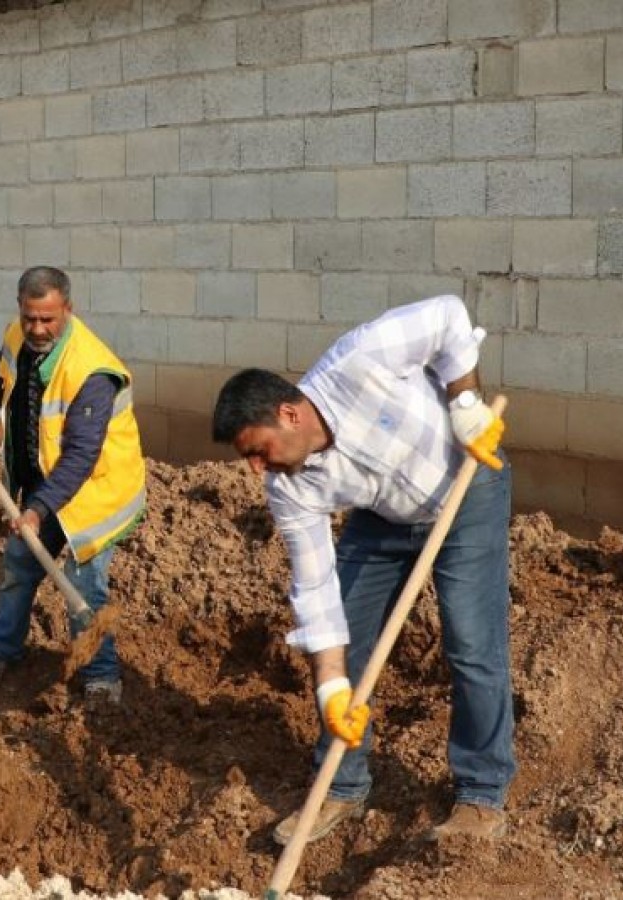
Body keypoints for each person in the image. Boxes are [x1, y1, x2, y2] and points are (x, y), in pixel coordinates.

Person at [209, 294, 514, 845]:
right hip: (385, 518)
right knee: (345, 641)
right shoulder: (289, 486)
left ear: (289, 413)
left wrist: (464, 400)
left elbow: (447, 314)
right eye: (247, 459)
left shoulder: (359, 361)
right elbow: (315, 585)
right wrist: (330, 686)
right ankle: (341, 786)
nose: (257, 468)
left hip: (465, 487)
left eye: (258, 450)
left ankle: (481, 794)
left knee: (471, 643)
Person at [0, 266, 147, 705]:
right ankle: (4, 652)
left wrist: (36, 510)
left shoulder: (92, 371)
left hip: (94, 494)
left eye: (48, 319)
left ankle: (101, 676)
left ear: (68, 309)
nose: (38, 329)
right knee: (19, 566)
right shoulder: (16, 336)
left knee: (84, 585)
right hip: (41, 483)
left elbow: (81, 457)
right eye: (30, 318)